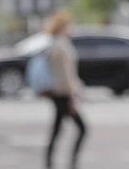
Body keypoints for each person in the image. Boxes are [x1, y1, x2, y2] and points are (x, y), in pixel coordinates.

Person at [43, 9, 87, 169]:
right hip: (65, 93)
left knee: (57, 129)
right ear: (63, 26)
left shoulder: (53, 43)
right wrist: (74, 96)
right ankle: (72, 163)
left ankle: (49, 162)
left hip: (57, 92)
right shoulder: (62, 46)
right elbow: (68, 74)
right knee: (82, 129)